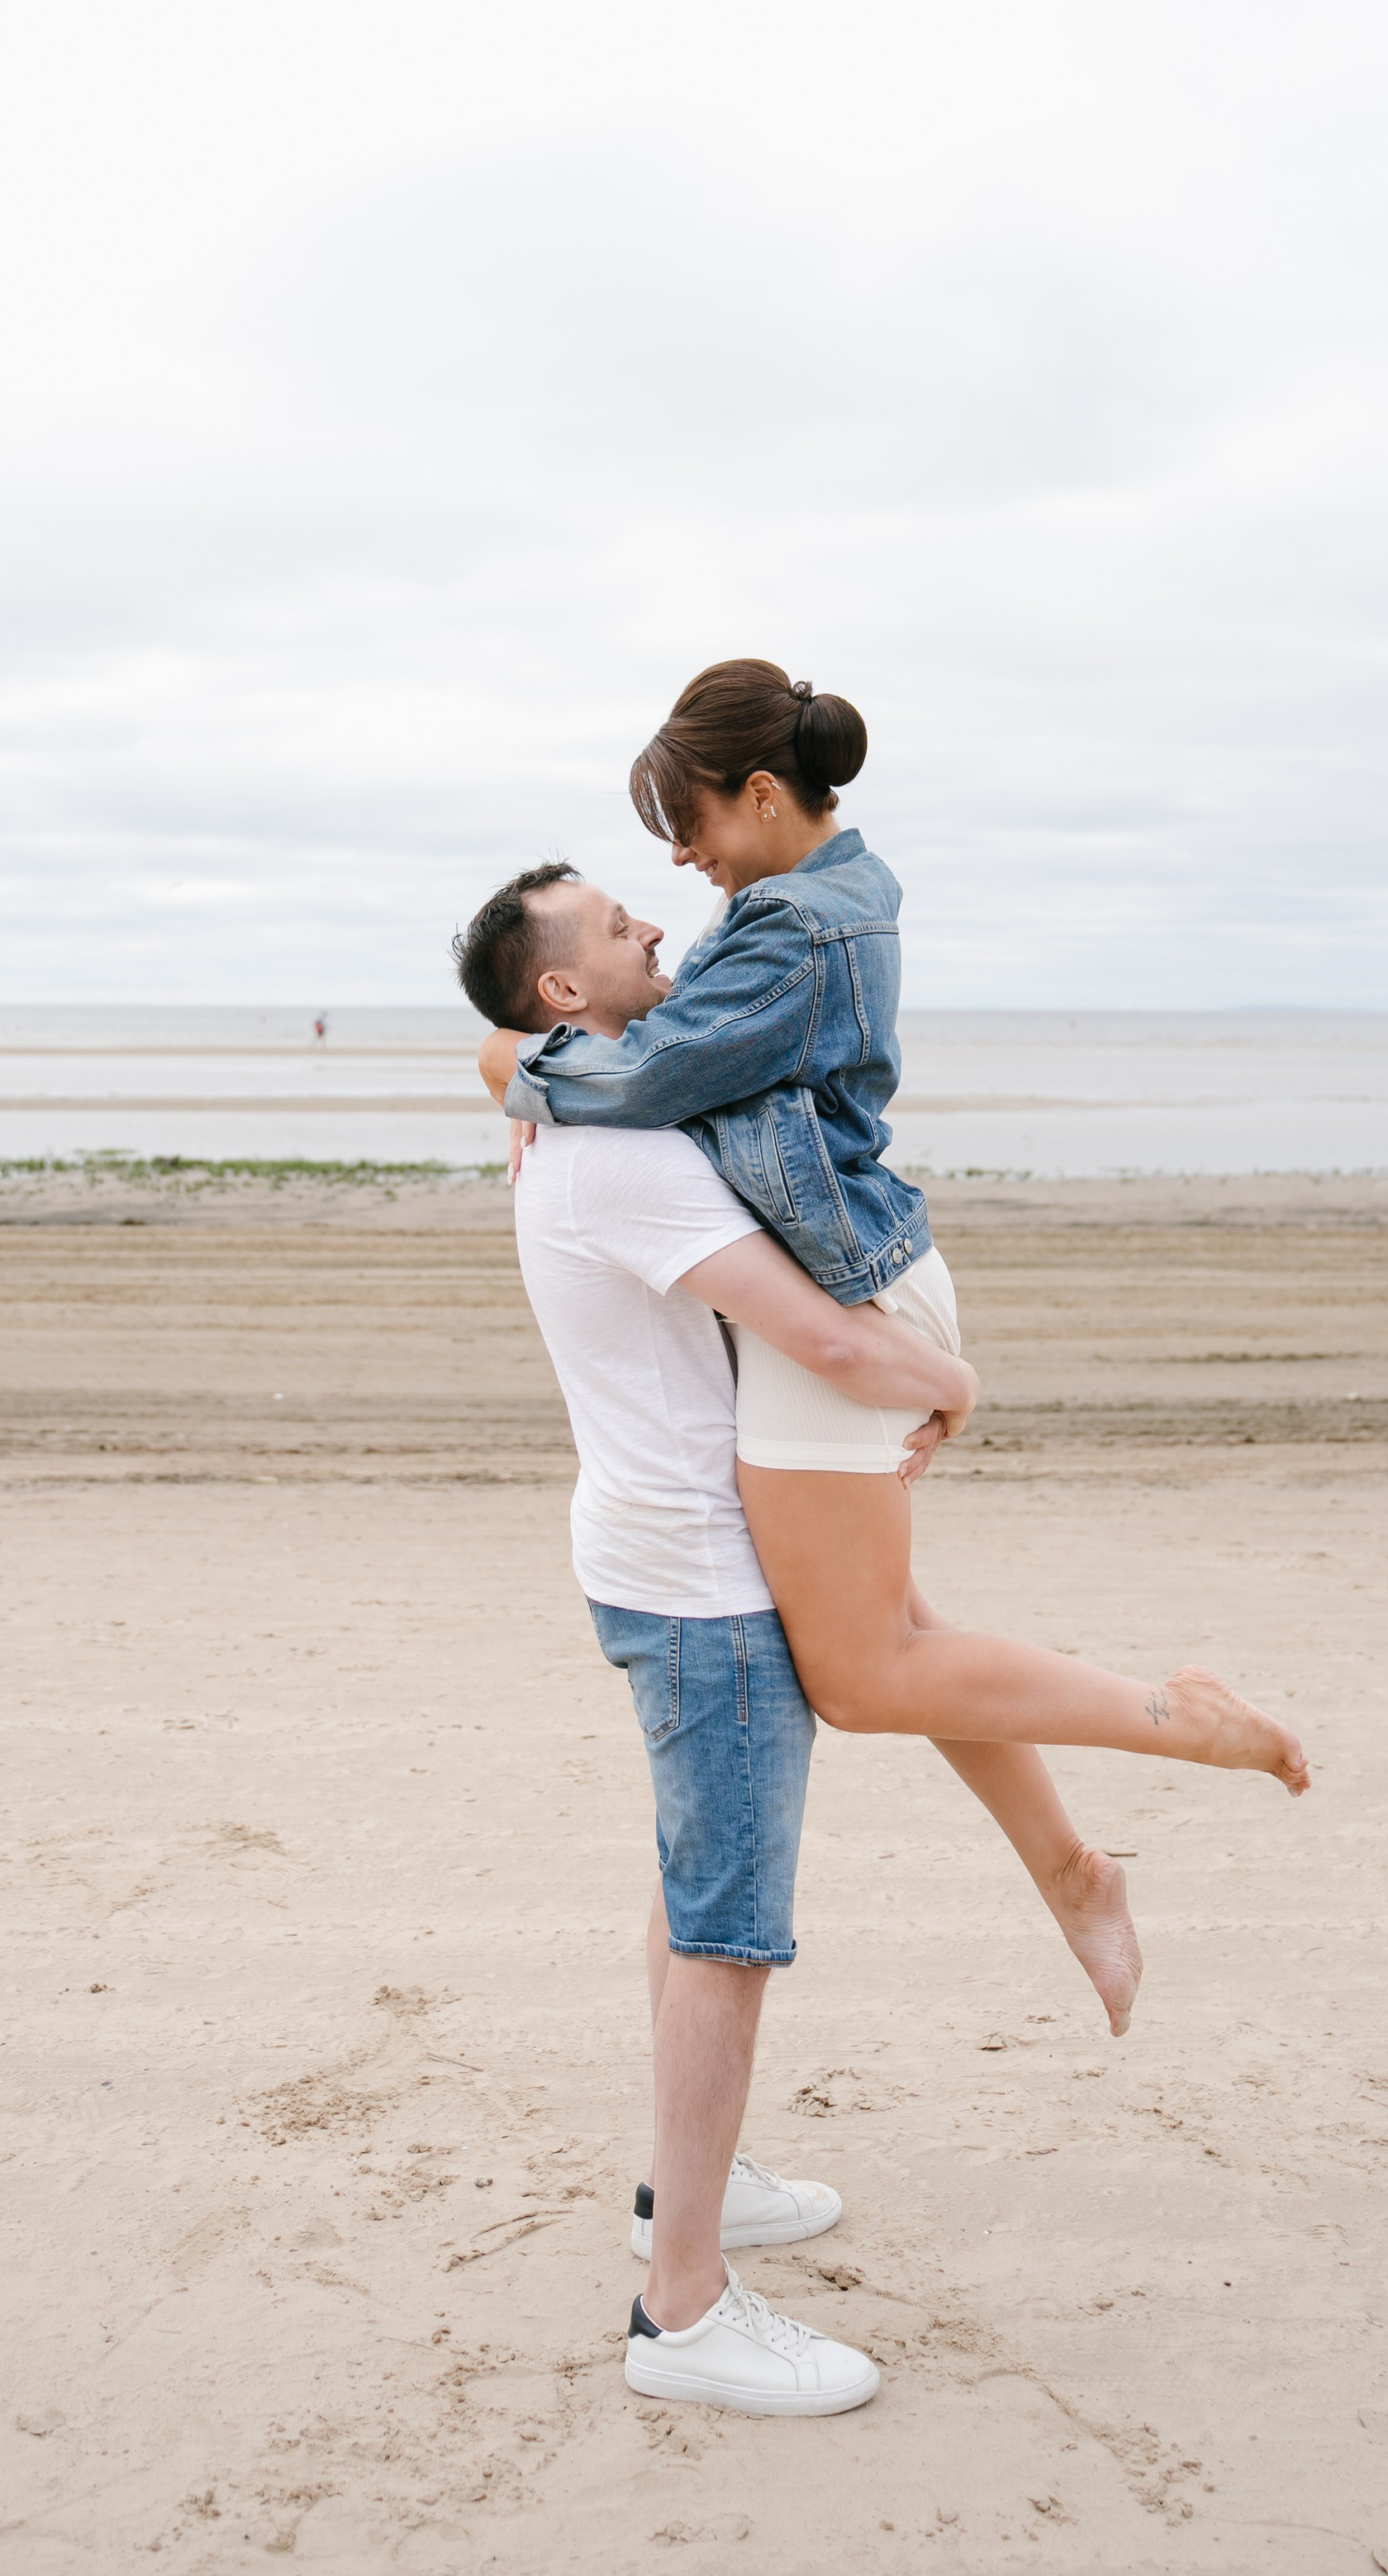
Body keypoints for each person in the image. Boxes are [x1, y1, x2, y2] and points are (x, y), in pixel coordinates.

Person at [477, 662, 1308, 2035]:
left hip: (848, 1309)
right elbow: (644, 1056)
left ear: (761, 793)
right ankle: (1072, 1868)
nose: (678, 863)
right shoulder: (794, 903)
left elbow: (645, 1073)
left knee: (864, 1676)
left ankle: (1178, 1719)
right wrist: (521, 1059)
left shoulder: (797, 935)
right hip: (845, 1294)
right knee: (902, 1636)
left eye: (690, 824)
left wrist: (516, 1064)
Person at [451, 867, 988, 2416]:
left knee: (696, 1891)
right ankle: (682, 2309)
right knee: (729, 1933)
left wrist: (513, 1069)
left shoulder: (587, 1114)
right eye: (618, 925)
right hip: (700, 1583)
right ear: (566, 994)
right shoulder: (625, 1157)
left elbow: (503, 1055)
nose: (651, 930)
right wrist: (953, 1385)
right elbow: (818, 1335)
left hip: (649, 1550)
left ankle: (694, 2186)